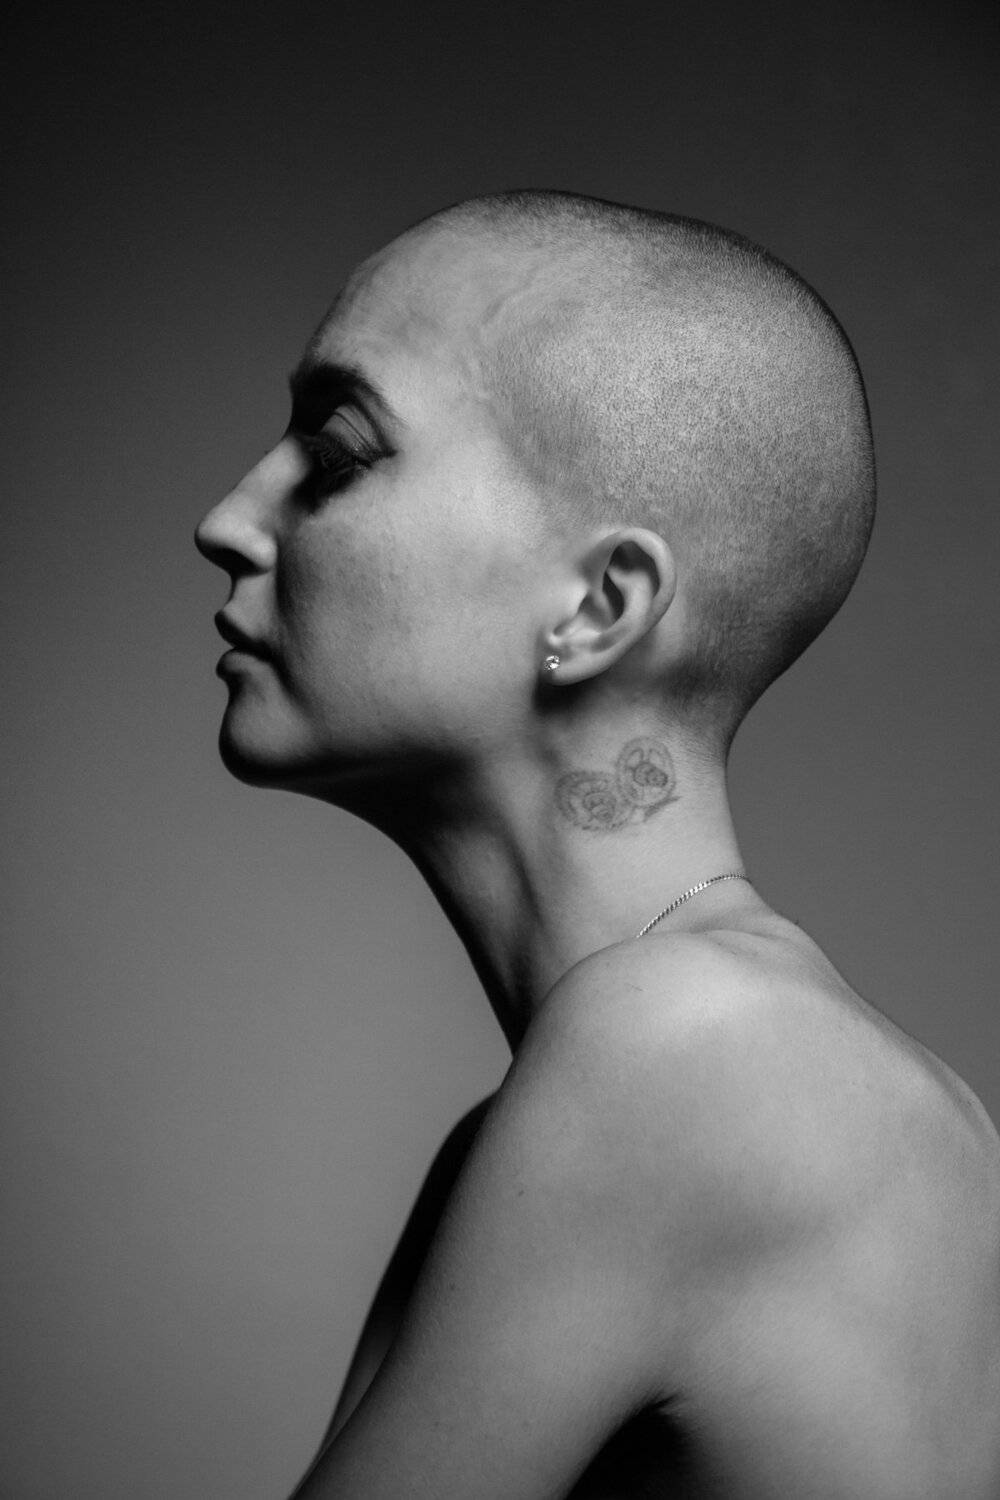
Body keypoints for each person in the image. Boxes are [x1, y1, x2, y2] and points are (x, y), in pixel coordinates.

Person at [195, 190, 1000, 1499]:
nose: (228, 521)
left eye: (335, 456)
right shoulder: (751, 1072)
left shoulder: (687, 1057)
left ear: (600, 605)